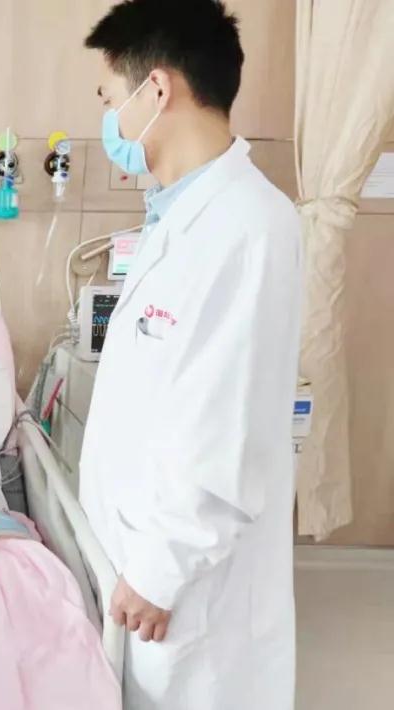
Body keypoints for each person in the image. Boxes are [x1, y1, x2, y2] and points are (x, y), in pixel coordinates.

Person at [79, 1, 302, 708]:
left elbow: (228, 428)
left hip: (184, 586)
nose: (110, 122)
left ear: (157, 90)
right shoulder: (177, 217)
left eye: (110, 100)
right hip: (140, 557)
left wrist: (159, 571)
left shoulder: (249, 227)